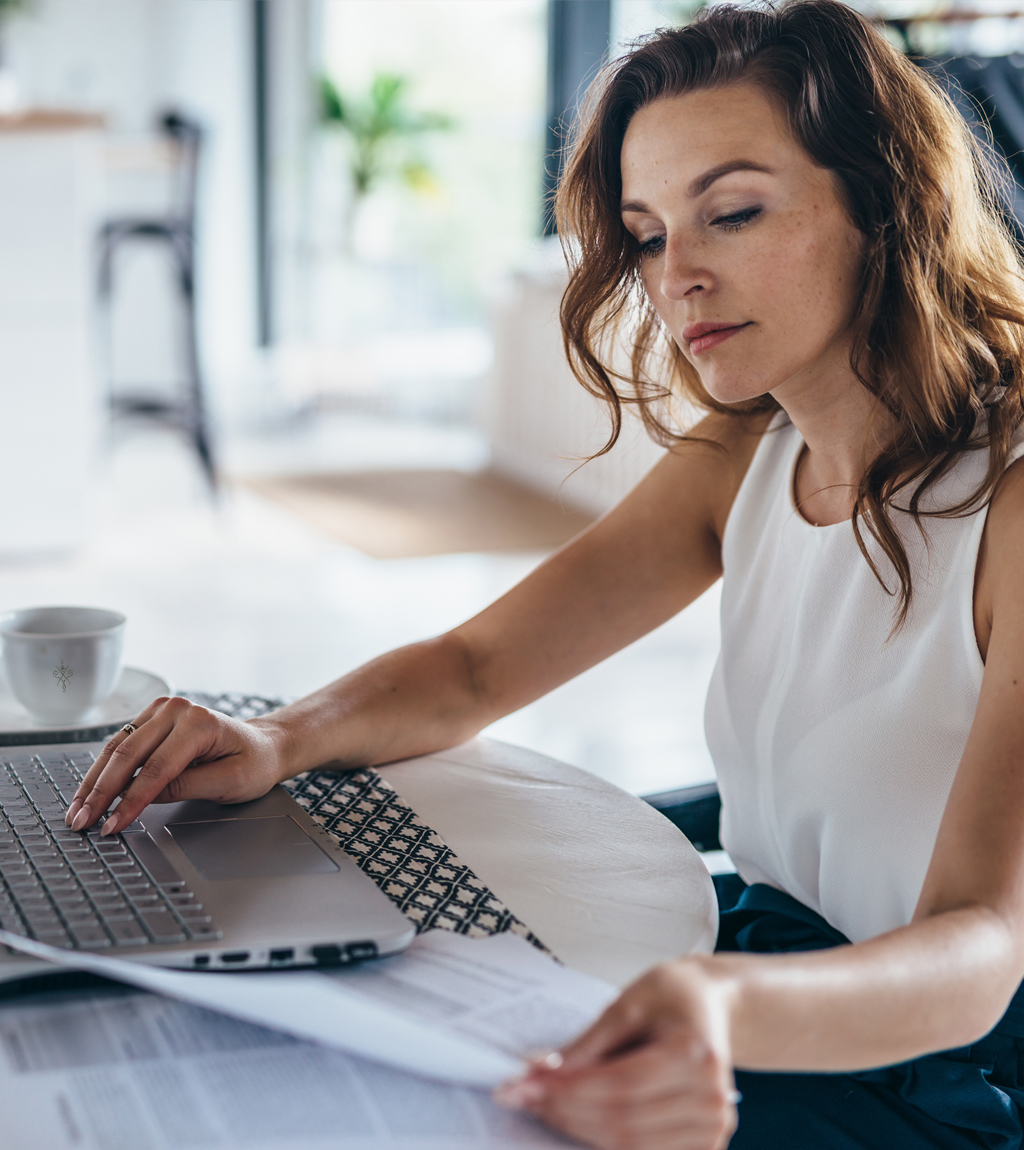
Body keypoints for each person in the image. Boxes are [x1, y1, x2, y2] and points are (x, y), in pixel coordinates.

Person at [64, 1, 1024, 1145]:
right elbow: (476, 668)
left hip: (926, 1068)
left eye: (732, 212)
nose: (679, 279)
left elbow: (982, 946)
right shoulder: (748, 448)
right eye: (650, 232)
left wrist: (720, 1004)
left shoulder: (1006, 503)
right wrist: (278, 736)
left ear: (883, 203)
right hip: (745, 965)